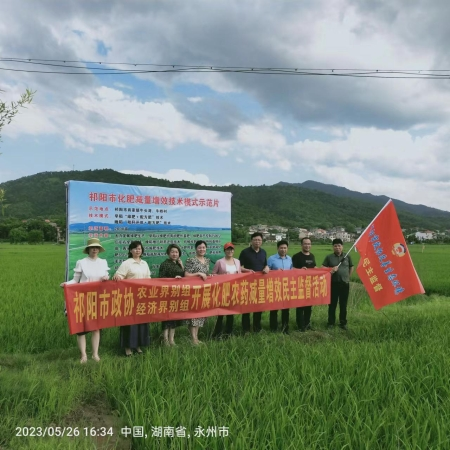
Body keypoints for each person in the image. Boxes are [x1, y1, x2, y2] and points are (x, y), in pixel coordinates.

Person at [60, 238, 109, 363]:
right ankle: (83, 355)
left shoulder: (103, 262)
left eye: (96, 247)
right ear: (88, 249)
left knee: (96, 327)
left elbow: (106, 277)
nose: (94, 249)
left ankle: (95, 354)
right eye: (92, 247)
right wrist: (66, 284)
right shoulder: (81, 262)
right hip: (83, 298)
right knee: (81, 328)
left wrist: (106, 278)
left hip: (97, 298)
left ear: (99, 249)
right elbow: (75, 280)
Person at [113, 241, 151, 356]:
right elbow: (119, 276)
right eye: (135, 249)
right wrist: (117, 276)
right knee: (129, 323)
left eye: (139, 249)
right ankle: (128, 348)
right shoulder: (127, 263)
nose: (137, 251)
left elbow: (148, 278)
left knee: (141, 322)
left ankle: (138, 346)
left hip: (142, 296)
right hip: (129, 297)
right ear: (130, 250)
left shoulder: (144, 263)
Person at [238, 232, 270, 333]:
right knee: (246, 307)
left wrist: (267, 267)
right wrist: (247, 270)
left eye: (259, 240)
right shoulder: (245, 252)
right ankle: (246, 329)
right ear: (251, 241)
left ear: (262, 241)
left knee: (258, 307)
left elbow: (265, 265)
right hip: (247, 284)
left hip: (260, 284)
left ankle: (257, 328)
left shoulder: (263, 252)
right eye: (255, 240)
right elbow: (239, 267)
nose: (257, 242)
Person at [211, 242, 242, 339]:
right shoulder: (219, 262)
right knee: (220, 313)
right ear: (225, 251)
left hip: (233, 290)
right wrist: (222, 277)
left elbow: (240, 274)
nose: (230, 251)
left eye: (231, 249)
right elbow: (213, 274)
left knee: (231, 312)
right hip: (222, 290)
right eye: (228, 249)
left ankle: (229, 332)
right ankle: (217, 333)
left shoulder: (237, 261)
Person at [322, 238, 354, 330]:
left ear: (342, 247)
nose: (337, 248)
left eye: (339, 246)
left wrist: (348, 277)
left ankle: (343, 323)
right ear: (333, 247)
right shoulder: (329, 257)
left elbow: (351, 267)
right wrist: (331, 269)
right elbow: (323, 267)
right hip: (333, 284)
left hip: (344, 284)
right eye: (335, 246)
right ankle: (331, 323)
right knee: (332, 305)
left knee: (343, 305)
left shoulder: (347, 256)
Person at [184, 240, 211, 345]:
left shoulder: (207, 260)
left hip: (203, 291)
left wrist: (209, 276)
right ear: (196, 249)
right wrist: (198, 273)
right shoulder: (191, 260)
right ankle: (193, 339)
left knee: (200, 314)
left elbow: (206, 274)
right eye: (199, 247)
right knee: (193, 314)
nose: (202, 249)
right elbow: (186, 275)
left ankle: (196, 337)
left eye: (203, 247)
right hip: (193, 290)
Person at [159, 243, 185, 346]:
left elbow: (184, 275)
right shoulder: (165, 264)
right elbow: (161, 278)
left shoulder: (178, 264)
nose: (174, 254)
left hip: (177, 294)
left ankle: (172, 339)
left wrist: (181, 265)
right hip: (167, 294)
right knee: (167, 317)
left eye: (176, 252)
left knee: (174, 316)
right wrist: (173, 280)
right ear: (168, 253)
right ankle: (165, 339)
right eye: (172, 252)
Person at [267, 239, 292, 334]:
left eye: (285, 248)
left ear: (287, 249)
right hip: (275, 286)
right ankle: (273, 328)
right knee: (274, 309)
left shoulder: (289, 259)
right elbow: (267, 271)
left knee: (286, 309)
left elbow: (292, 271)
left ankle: (285, 328)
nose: (283, 250)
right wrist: (274, 272)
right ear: (277, 248)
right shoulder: (271, 259)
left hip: (286, 287)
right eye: (281, 248)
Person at [292, 237, 316, 332]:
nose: (307, 246)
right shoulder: (296, 256)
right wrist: (300, 270)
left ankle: (307, 324)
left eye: (309, 244)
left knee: (309, 306)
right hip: (300, 285)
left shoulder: (312, 256)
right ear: (301, 245)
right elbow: (291, 269)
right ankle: (300, 326)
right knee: (300, 306)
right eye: (305, 244)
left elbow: (314, 267)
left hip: (310, 285)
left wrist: (324, 271)